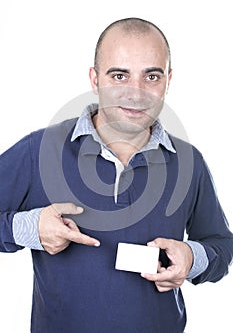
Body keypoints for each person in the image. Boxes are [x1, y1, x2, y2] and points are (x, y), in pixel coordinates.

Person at [0, 17, 232, 333]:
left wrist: (194, 257)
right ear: (95, 79)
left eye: (152, 76)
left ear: (168, 80)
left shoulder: (189, 162)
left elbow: (221, 244)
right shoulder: (38, 150)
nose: (136, 94)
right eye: (119, 75)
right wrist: (25, 228)